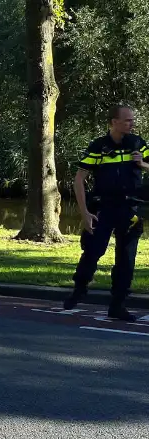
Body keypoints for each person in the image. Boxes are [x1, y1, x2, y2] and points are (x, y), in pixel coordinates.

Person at [64, 104, 149, 321]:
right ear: (114, 122)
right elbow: (79, 180)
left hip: (131, 209)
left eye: (133, 120)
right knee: (93, 252)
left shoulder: (138, 144)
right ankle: (80, 289)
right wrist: (84, 213)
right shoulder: (98, 147)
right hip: (103, 208)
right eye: (127, 120)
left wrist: (143, 164)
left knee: (126, 260)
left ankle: (118, 305)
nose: (132, 123)